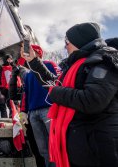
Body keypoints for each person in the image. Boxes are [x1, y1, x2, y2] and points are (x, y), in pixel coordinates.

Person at [22, 22, 118, 167]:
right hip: (83, 144)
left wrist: (56, 92)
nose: (65, 46)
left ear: (79, 41)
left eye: (67, 42)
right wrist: (34, 62)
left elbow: (92, 100)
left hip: (98, 147)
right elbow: (56, 83)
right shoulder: (76, 64)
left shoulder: (103, 62)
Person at [10, 45, 61, 167]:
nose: (26, 56)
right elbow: (25, 93)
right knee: (43, 149)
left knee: (55, 146)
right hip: (33, 113)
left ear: (36, 53)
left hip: (49, 110)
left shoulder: (50, 64)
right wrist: (23, 111)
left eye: (28, 53)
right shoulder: (28, 73)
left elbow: (60, 81)